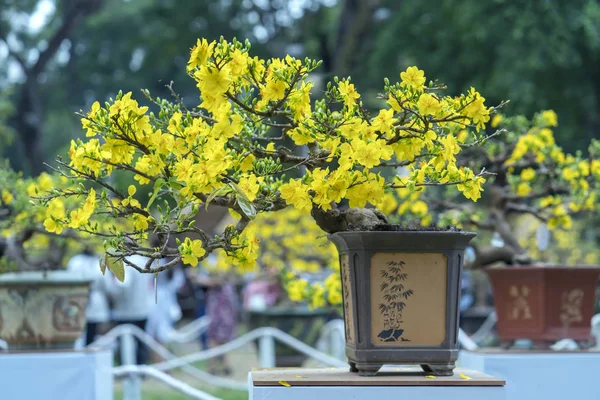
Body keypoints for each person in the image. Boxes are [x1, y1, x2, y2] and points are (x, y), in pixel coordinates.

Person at [105, 254, 155, 365]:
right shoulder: (144, 260)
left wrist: (110, 286)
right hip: (142, 309)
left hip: (126, 312)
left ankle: (127, 371)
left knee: (125, 345)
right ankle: (141, 368)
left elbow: (122, 285)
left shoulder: (125, 262)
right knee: (140, 342)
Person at [66, 246, 110, 345]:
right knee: (87, 331)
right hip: (85, 298)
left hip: (86, 298)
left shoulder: (76, 261)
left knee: (88, 331)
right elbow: (107, 284)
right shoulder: (81, 261)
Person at [205, 272, 240, 376]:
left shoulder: (224, 285)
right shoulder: (226, 286)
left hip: (221, 317)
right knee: (217, 342)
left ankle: (218, 366)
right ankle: (219, 366)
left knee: (217, 342)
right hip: (221, 317)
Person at [146, 259, 186, 344]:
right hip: (167, 298)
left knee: (155, 327)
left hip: (156, 297)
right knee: (164, 327)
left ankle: (158, 353)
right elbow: (179, 282)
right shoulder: (173, 262)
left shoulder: (154, 262)